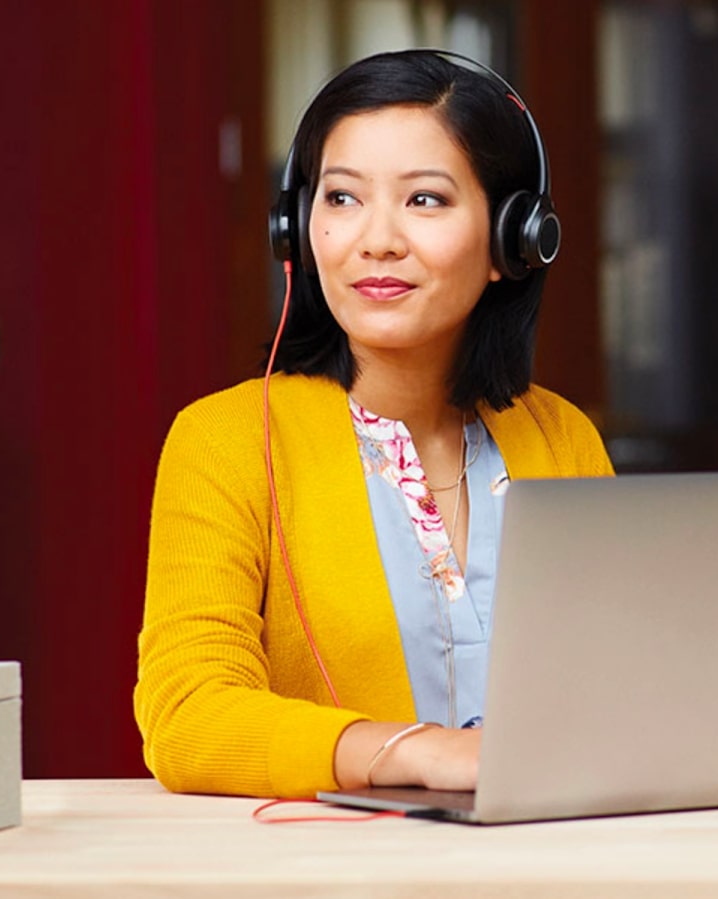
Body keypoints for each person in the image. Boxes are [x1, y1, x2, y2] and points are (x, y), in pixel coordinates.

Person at [134, 50, 613, 800]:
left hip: (550, 854)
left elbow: (622, 689)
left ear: (511, 240)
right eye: (342, 198)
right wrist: (418, 753)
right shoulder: (225, 442)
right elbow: (187, 716)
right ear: (297, 229)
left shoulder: (562, 438)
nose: (376, 239)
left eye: (424, 200)